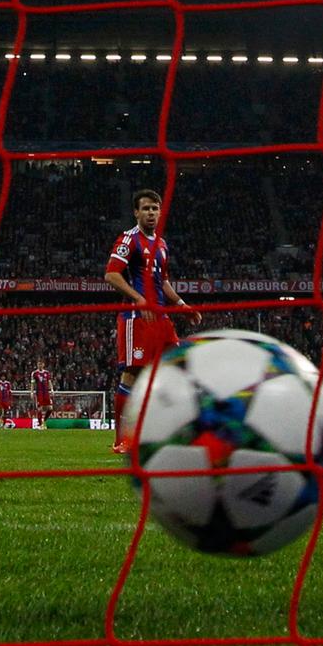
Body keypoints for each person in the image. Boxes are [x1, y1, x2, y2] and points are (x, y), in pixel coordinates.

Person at [104, 189, 201, 454]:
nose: (150, 213)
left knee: (180, 368)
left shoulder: (161, 243)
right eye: (145, 208)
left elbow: (164, 282)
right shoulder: (128, 240)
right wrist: (138, 299)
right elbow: (111, 275)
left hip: (161, 317)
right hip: (137, 318)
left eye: (154, 208)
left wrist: (182, 305)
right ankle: (122, 438)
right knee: (132, 374)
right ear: (136, 212)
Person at [30, 358, 54, 428]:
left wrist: (52, 389)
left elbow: (49, 382)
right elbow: (32, 383)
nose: (40, 365)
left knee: (50, 408)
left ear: (43, 365)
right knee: (39, 408)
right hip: (39, 393)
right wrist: (31, 392)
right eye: (38, 364)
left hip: (46, 392)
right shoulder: (34, 373)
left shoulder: (47, 373)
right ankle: (40, 425)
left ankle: (44, 421)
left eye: (41, 364)